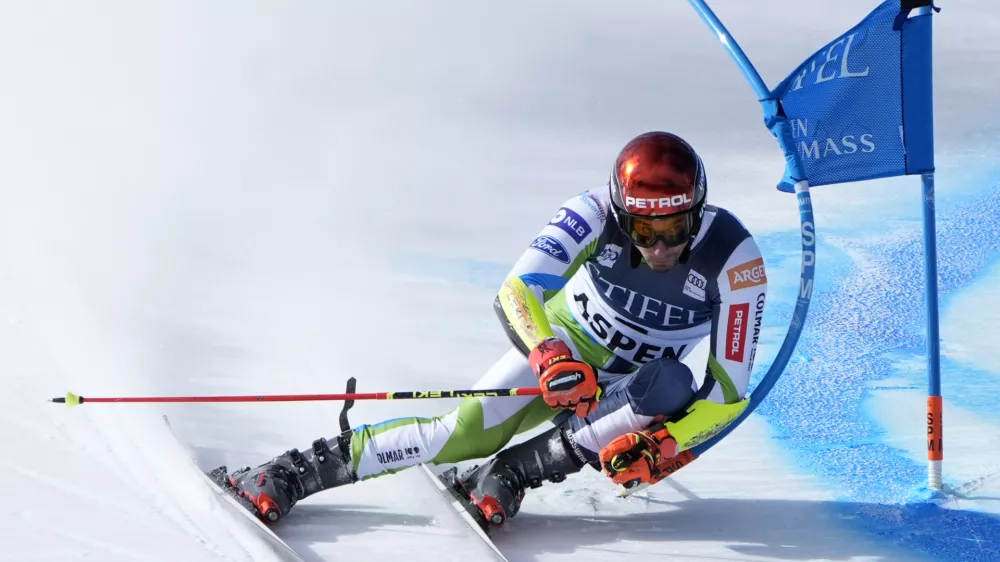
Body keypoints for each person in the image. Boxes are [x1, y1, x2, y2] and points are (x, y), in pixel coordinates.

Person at [220, 131, 768, 527]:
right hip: (568, 349)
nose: (660, 248)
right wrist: (548, 353)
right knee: (459, 435)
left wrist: (666, 443)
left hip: (632, 390)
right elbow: (516, 291)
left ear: (697, 209)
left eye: (676, 228)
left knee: (669, 383)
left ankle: (511, 473)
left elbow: (726, 395)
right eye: (645, 230)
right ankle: (293, 471)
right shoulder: (591, 213)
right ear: (623, 216)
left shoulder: (735, 261)